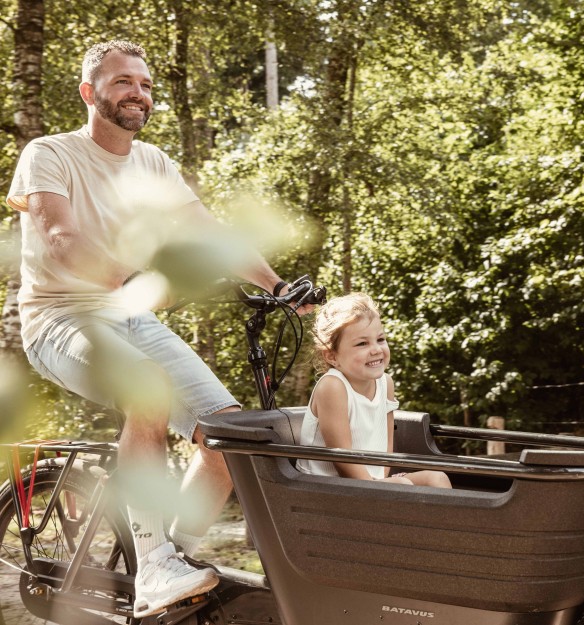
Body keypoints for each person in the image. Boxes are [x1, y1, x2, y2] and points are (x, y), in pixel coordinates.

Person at [5, 40, 298, 617]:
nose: (136, 93)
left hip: (132, 320)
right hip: (61, 319)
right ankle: (156, 564)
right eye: (121, 83)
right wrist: (129, 274)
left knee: (230, 437)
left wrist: (277, 286)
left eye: (143, 84)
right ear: (90, 93)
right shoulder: (50, 153)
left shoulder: (154, 162)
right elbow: (61, 237)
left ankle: (169, 569)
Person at [296, 293, 451, 488]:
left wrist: (381, 479)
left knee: (437, 478)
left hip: (369, 481)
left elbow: (385, 444)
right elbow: (342, 458)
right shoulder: (333, 386)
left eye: (380, 339)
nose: (376, 349)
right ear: (332, 356)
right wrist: (376, 488)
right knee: (403, 486)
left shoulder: (385, 383)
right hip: (324, 486)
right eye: (362, 343)